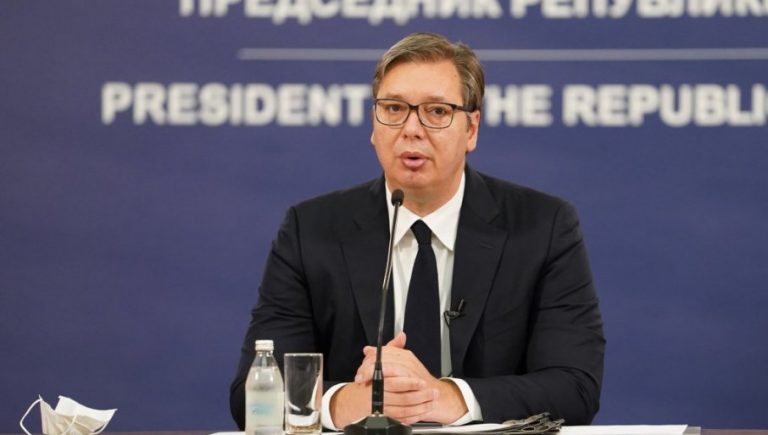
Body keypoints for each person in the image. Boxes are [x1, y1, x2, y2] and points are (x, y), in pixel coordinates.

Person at [230, 32, 605, 430]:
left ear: (472, 129)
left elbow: (575, 387)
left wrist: (443, 396)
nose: (411, 129)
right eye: (393, 108)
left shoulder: (543, 227)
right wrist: (345, 402)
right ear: (374, 125)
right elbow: (252, 396)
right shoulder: (310, 231)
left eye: (437, 111)